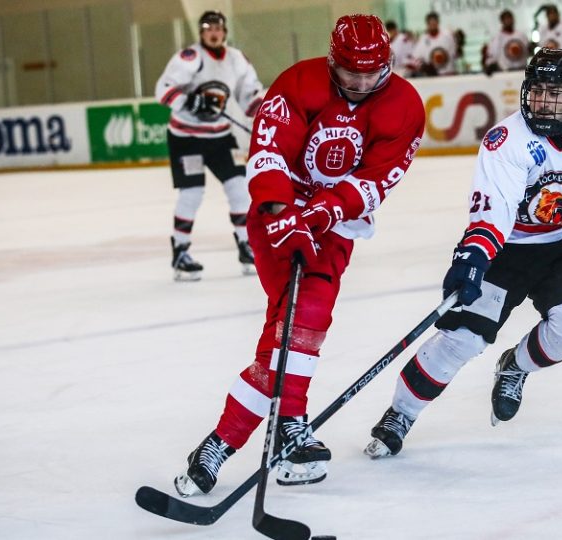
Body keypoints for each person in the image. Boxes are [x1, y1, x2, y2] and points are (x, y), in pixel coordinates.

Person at [363, 48, 562, 458]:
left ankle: (515, 366)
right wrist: (472, 258)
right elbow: (494, 212)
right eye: (537, 90)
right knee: (461, 338)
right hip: (506, 249)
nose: (543, 101)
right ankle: (401, 413)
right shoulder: (506, 140)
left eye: (555, 93)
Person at [171, 14, 425, 496]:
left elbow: (376, 179)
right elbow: (268, 154)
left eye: (372, 73)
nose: (362, 83)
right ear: (333, 62)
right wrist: (281, 212)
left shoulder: (404, 106)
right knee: (294, 324)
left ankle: (224, 444)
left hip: (334, 226)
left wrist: (325, 211)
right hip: (277, 216)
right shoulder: (299, 83)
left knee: (301, 320)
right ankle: (286, 429)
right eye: (351, 73)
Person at [155, 11, 264, 281]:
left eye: (217, 28)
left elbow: (250, 96)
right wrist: (190, 101)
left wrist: (265, 114)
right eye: (208, 28)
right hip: (186, 138)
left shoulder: (236, 59)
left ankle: (246, 246)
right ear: (201, 33)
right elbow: (163, 89)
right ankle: (180, 252)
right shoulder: (191, 58)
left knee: (239, 188)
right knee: (192, 193)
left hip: (220, 137)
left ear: (224, 32)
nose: (213, 33)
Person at [407, 11, 458, 76]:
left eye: (434, 23)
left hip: (449, 74)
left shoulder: (447, 36)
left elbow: (454, 54)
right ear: (427, 24)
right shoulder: (423, 39)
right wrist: (423, 66)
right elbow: (414, 58)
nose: (432, 26)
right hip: (433, 77)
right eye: (430, 24)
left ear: (438, 23)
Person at [483, 9, 530, 75]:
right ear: (502, 21)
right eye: (506, 19)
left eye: (510, 18)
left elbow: (528, 52)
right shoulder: (497, 38)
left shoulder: (521, 35)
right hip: (506, 72)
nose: (508, 20)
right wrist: (490, 65)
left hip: (522, 70)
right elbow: (492, 55)